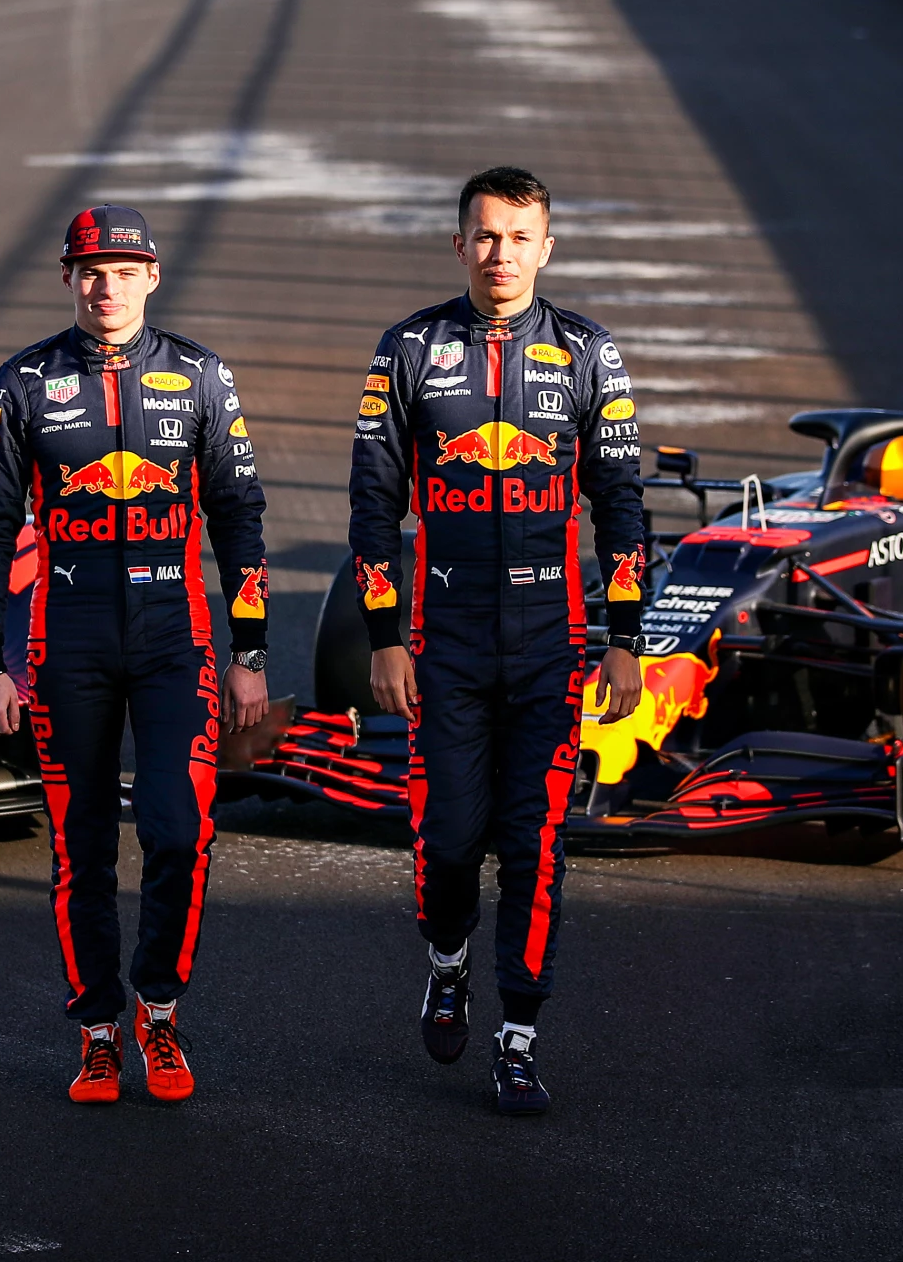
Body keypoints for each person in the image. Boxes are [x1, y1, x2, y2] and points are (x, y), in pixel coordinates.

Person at [348, 166, 646, 1115]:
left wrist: (625, 639)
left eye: (520, 238)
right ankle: (447, 961)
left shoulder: (591, 355)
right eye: (484, 236)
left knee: (537, 845)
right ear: (458, 244)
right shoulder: (407, 349)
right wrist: (384, 637)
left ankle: (517, 1038)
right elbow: (371, 505)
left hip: (554, 644)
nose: (501, 255)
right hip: (445, 645)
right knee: (448, 841)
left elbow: (623, 505)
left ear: (547, 248)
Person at [0, 205, 272, 1105]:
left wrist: (249, 649)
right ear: (69, 278)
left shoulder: (202, 377)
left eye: (124, 269)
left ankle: (160, 1010)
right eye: (90, 270)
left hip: (178, 637)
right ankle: (98, 1030)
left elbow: (240, 518)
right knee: (81, 847)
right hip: (69, 640)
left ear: (153, 275)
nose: (107, 286)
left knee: (180, 830)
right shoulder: (20, 382)